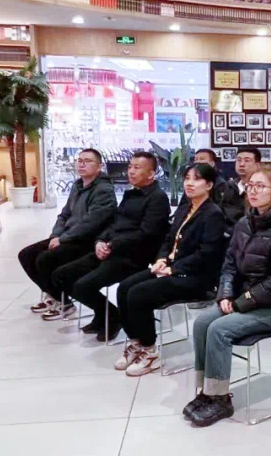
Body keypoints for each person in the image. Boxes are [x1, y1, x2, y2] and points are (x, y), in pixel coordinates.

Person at [184, 165, 271, 427]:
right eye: (250, 185)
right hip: (243, 300)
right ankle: (207, 390)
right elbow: (229, 265)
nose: (253, 191)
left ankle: (220, 400)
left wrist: (240, 303)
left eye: (260, 186)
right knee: (202, 323)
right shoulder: (244, 223)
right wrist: (226, 295)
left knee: (219, 330)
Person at [115, 163, 228, 377]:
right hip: (171, 267)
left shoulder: (213, 214)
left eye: (196, 179)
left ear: (209, 185)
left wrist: (173, 269)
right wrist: (161, 259)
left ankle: (150, 352)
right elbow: (168, 239)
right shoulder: (185, 207)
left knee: (138, 295)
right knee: (124, 288)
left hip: (196, 277)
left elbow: (206, 254)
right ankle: (136, 342)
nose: (189, 183)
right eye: (187, 178)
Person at [49, 152, 171, 339]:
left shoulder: (158, 198)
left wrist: (112, 244)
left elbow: (146, 234)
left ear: (151, 174)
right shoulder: (130, 194)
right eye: (130, 166)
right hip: (111, 249)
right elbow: (113, 222)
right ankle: (105, 314)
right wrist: (100, 241)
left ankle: (111, 317)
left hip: (133, 257)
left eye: (137, 168)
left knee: (82, 286)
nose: (131, 171)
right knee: (62, 275)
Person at [20, 148, 116, 318]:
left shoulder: (103, 190)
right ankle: (53, 295)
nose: (82, 164)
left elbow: (91, 223)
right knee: (26, 255)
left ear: (99, 166)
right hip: (68, 237)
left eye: (87, 161)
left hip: (87, 241)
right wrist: (55, 235)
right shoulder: (77, 185)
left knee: (45, 259)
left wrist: (63, 239)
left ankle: (64, 303)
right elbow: (64, 215)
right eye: (80, 160)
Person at [195, 148, 243, 228]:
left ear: (212, 163)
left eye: (202, 159)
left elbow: (223, 212)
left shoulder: (221, 185)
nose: (198, 162)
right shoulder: (192, 184)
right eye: (196, 159)